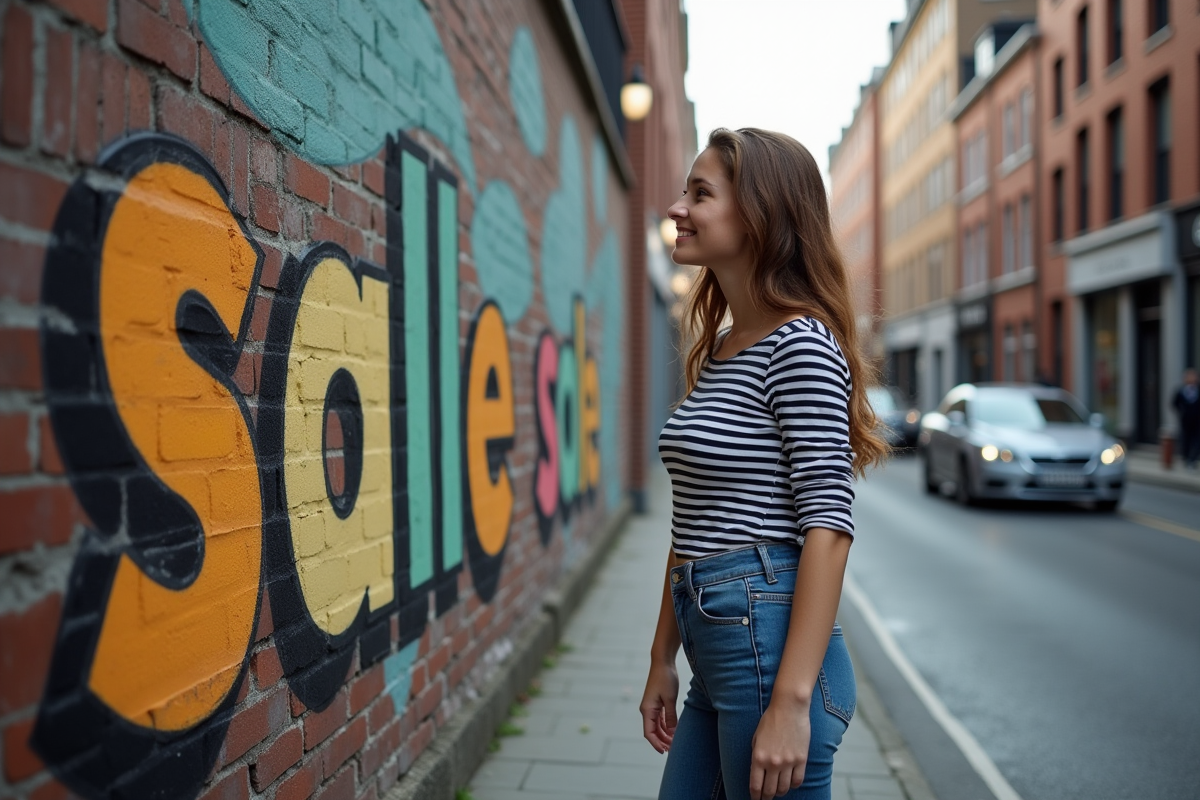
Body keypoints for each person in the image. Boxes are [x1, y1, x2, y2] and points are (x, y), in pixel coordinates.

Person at [641, 128, 889, 800]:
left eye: (701, 193)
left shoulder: (800, 344)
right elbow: (692, 518)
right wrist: (663, 657)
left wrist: (791, 702)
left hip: (766, 654)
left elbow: (830, 526)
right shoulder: (720, 349)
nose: (677, 208)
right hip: (719, 648)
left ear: (759, 215)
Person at [1173, 368, 1200, 469]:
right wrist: (1182, 411)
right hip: (1186, 420)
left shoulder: (1198, 390)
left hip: (1197, 421)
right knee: (1186, 439)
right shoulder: (1181, 391)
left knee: (1197, 440)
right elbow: (1175, 403)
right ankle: (1186, 458)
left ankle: (1193, 459)